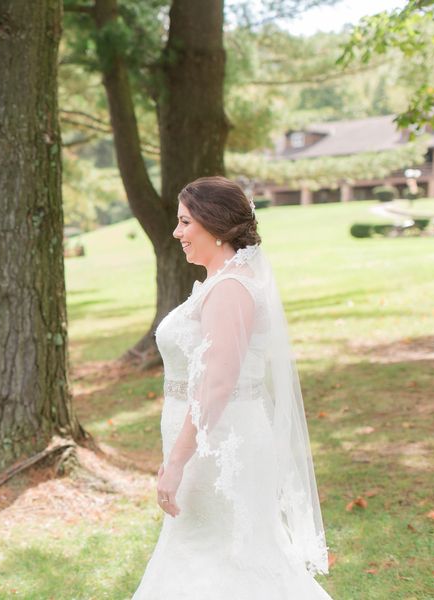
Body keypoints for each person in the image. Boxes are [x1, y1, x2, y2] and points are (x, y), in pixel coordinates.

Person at [132, 177, 332, 599]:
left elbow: (217, 383)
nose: (177, 232)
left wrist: (177, 462)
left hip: (222, 449)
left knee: (221, 558)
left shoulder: (230, 290)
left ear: (216, 225)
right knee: (203, 551)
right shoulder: (220, 284)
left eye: (185, 222)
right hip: (208, 443)